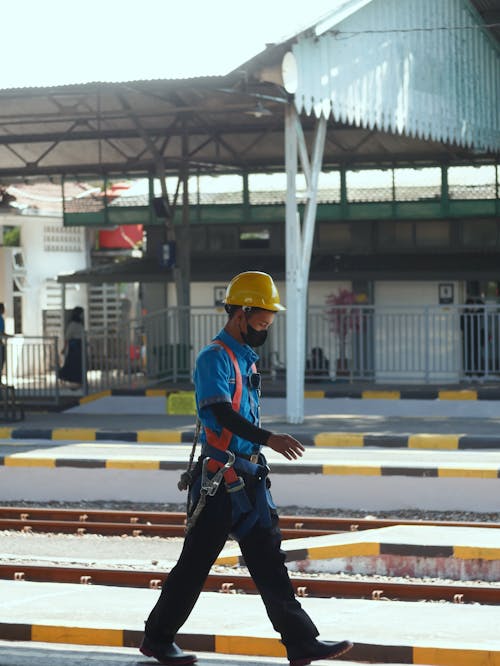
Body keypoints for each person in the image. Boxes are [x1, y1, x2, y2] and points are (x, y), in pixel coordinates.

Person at [140, 271, 353, 666]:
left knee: (271, 565)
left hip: (250, 480)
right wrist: (269, 437)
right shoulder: (213, 358)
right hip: (221, 482)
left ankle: (302, 643)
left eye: (269, 323)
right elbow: (219, 413)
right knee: (195, 565)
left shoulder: (246, 359)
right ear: (240, 313)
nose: (265, 329)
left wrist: (262, 447)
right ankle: (157, 638)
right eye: (261, 322)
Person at [58, 306, 85, 387]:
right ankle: (65, 377)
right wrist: (64, 348)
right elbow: (68, 338)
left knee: (79, 364)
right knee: (72, 363)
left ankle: (79, 380)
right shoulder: (72, 325)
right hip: (74, 346)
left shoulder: (80, 324)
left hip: (79, 345)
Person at [0, 303, 9, 384]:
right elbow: (1, 333)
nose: (4, 310)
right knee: (1, 361)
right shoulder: (0, 319)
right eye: (3, 308)